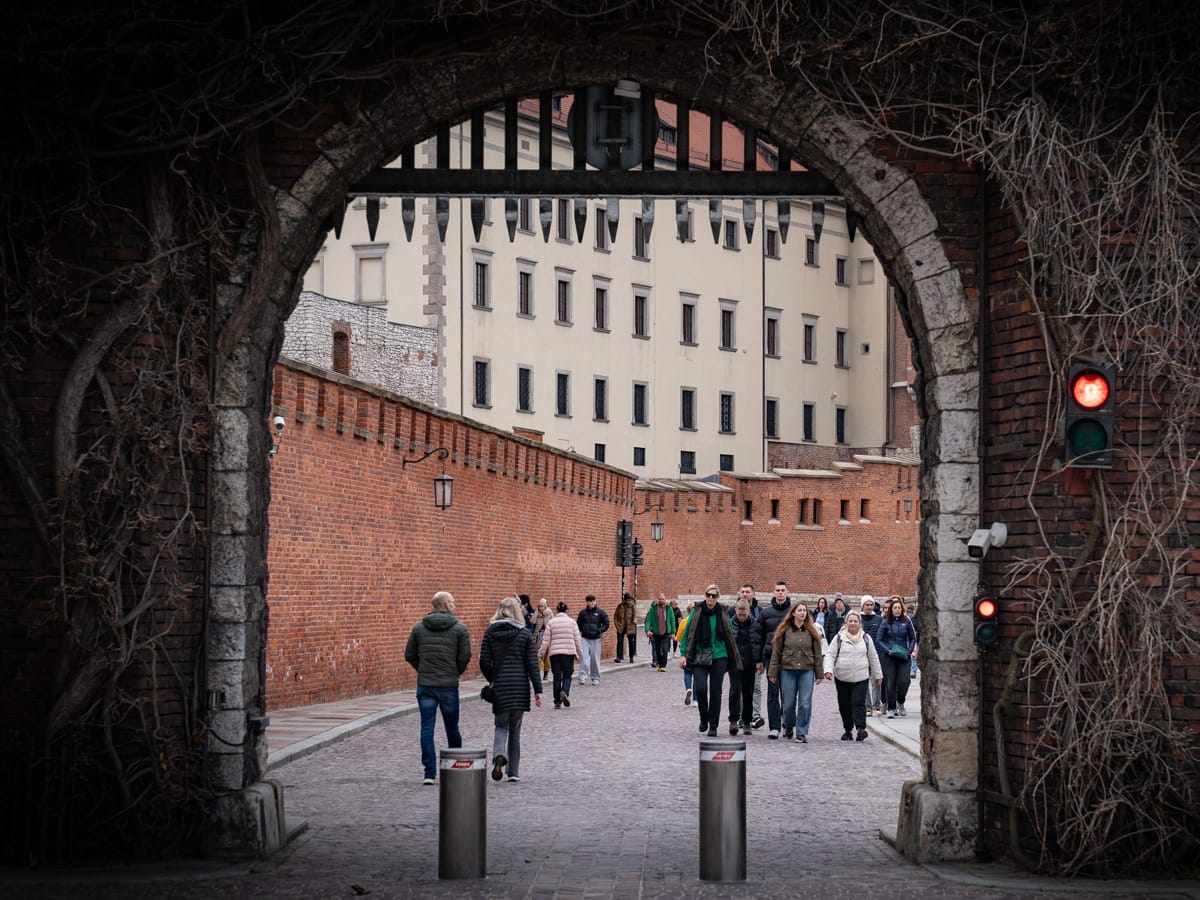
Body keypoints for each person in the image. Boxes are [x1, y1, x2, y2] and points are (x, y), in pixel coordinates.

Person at [404, 590, 472, 784]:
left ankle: (429, 773)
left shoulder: (419, 628)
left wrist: (423, 669)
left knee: (427, 728)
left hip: (425, 685)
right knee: (452, 727)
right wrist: (454, 672)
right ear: (444, 605)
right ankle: (455, 768)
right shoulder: (459, 628)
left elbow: (409, 654)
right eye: (452, 602)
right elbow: (465, 656)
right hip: (448, 685)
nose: (455, 605)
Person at [480, 596, 542, 783]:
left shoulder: (490, 632)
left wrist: (492, 678)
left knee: (501, 725)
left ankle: (499, 755)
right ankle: (513, 772)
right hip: (519, 687)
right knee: (515, 730)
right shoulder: (523, 634)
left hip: (501, 686)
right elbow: (532, 664)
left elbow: (483, 661)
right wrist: (538, 690)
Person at [678, 585, 742, 737]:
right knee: (700, 688)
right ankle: (703, 718)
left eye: (714, 596)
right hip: (700, 654)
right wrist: (683, 654)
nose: (711, 598)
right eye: (708, 595)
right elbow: (688, 633)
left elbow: (729, 634)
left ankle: (713, 725)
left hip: (719, 656)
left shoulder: (722, 612)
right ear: (705, 595)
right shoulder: (696, 611)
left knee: (715, 691)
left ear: (717, 597)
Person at [768, 602, 825, 742]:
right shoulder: (784, 630)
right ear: (793, 613)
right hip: (788, 669)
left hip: (807, 669)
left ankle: (801, 731)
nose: (802, 613)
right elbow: (776, 653)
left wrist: (819, 673)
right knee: (788, 704)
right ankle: (788, 725)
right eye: (799, 610)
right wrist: (773, 672)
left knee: (805, 703)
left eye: (804, 610)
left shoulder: (812, 631)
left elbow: (818, 653)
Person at [823, 610, 882, 742]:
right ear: (846, 623)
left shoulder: (866, 638)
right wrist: (828, 670)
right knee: (844, 705)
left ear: (859, 623)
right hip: (842, 676)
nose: (853, 623)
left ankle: (861, 729)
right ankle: (848, 729)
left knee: (858, 703)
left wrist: (878, 675)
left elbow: (873, 657)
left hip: (861, 676)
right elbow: (830, 655)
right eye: (850, 621)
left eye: (855, 621)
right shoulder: (839, 638)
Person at [752, 581, 793, 739]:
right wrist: (759, 660)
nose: (780, 593)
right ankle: (774, 726)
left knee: (788, 693)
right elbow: (758, 637)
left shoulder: (793, 612)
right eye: (778, 590)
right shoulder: (765, 613)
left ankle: (788, 724)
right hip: (770, 657)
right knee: (773, 692)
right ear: (774, 592)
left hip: (789, 658)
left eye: (783, 590)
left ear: (787, 592)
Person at [875, 596, 918, 718]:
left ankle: (901, 701)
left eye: (899, 607)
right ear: (891, 610)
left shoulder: (907, 621)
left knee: (904, 681)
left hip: (904, 655)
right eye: (895, 608)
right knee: (890, 683)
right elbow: (879, 640)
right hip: (889, 656)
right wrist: (887, 650)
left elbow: (913, 638)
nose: (897, 610)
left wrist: (909, 651)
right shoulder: (885, 622)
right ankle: (891, 707)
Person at [539, 601, 583, 708]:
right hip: (568, 654)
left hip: (555, 654)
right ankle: (564, 691)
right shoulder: (572, 622)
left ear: (556, 611)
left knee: (557, 677)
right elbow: (577, 639)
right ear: (567, 610)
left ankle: (557, 702)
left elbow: (545, 640)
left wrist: (540, 654)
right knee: (567, 676)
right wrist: (580, 654)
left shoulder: (551, 622)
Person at [727, 598, 757, 735]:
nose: (742, 617)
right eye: (740, 615)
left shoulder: (755, 624)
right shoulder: (730, 624)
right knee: (735, 690)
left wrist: (758, 660)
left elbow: (757, 643)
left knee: (748, 692)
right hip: (735, 662)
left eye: (744, 615)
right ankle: (733, 719)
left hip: (749, 663)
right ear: (736, 611)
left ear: (749, 611)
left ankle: (746, 721)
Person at [737, 583, 764, 728]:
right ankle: (742, 715)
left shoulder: (760, 612)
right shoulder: (732, 612)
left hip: (755, 657)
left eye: (747, 592)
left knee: (756, 686)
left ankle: (755, 715)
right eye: (743, 592)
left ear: (753, 594)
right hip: (739, 658)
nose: (745, 594)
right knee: (741, 688)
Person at [858, 596, 884, 715]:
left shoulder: (879, 619)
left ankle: (876, 706)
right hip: (861, 654)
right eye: (867, 605)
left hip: (876, 654)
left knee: (877, 680)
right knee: (863, 681)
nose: (869, 607)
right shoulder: (858, 619)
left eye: (871, 605)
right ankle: (867, 707)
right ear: (863, 606)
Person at [576, 594, 610, 684]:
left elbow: (606, 623)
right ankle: (582, 676)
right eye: (590, 601)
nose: (592, 603)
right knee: (584, 658)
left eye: (593, 601)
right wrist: (580, 631)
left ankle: (595, 677)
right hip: (585, 638)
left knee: (595, 659)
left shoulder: (600, 612)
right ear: (587, 602)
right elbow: (578, 623)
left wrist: (600, 630)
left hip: (596, 639)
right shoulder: (583, 613)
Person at [645, 592, 677, 672]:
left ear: (665, 600)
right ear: (657, 600)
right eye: (659, 599)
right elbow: (648, 620)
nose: (661, 600)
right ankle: (659, 663)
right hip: (656, 632)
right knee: (658, 650)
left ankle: (663, 665)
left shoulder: (669, 609)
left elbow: (672, 621)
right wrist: (647, 630)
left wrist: (673, 632)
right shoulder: (653, 609)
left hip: (666, 632)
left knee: (665, 649)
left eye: (662, 599)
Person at [675, 604, 694, 703]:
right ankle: (696, 700)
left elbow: (678, 637)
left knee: (687, 672)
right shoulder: (699, 621)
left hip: (686, 649)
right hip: (697, 650)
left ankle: (688, 689)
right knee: (698, 675)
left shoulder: (684, 621)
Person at [613, 591, 639, 663]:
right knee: (620, 642)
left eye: (628, 600)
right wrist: (617, 625)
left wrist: (634, 621)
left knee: (631, 642)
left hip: (630, 627)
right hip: (621, 626)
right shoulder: (620, 606)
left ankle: (631, 657)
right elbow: (616, 616)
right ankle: (619, 656)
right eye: (626, 600)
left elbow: (635, 615)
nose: (628, 601)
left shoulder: (632, 606)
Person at [532, 598, 554, 680]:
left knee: (546, 657)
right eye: (539, 606)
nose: (540, 608)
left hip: (546, 638)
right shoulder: (536, 614)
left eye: (542, 606)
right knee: (537, 656)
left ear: (545, 607)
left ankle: (546, 673)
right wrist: (536, 614)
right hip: (537, 637)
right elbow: (533, 624)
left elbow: (552, 626)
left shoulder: (550, 615)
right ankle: (537, 673)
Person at [906, 602, 920, 678]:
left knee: (912, 656)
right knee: (915, 656)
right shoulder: (916, 619)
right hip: (918, 639)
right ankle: (913, 671)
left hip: (910, 639)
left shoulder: (910, 618)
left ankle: (912, 670)